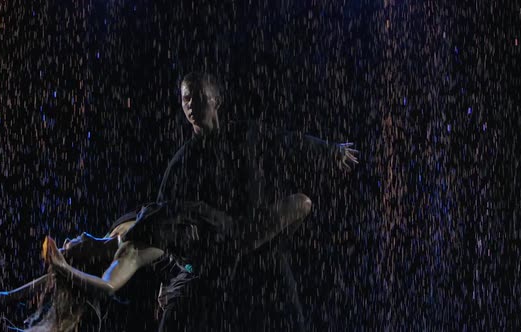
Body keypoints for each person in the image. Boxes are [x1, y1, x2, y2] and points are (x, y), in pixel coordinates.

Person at [42, 72, 358, 331]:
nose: (191, 104)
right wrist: (173, 279)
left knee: (289, 318)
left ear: (215, 99)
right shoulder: (181, 165)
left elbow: (287, 142)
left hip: (262, 251)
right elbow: (163, 227)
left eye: (197, 96)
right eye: (185, 99)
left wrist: (330, 151)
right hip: (214, 262)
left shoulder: (245, 135)